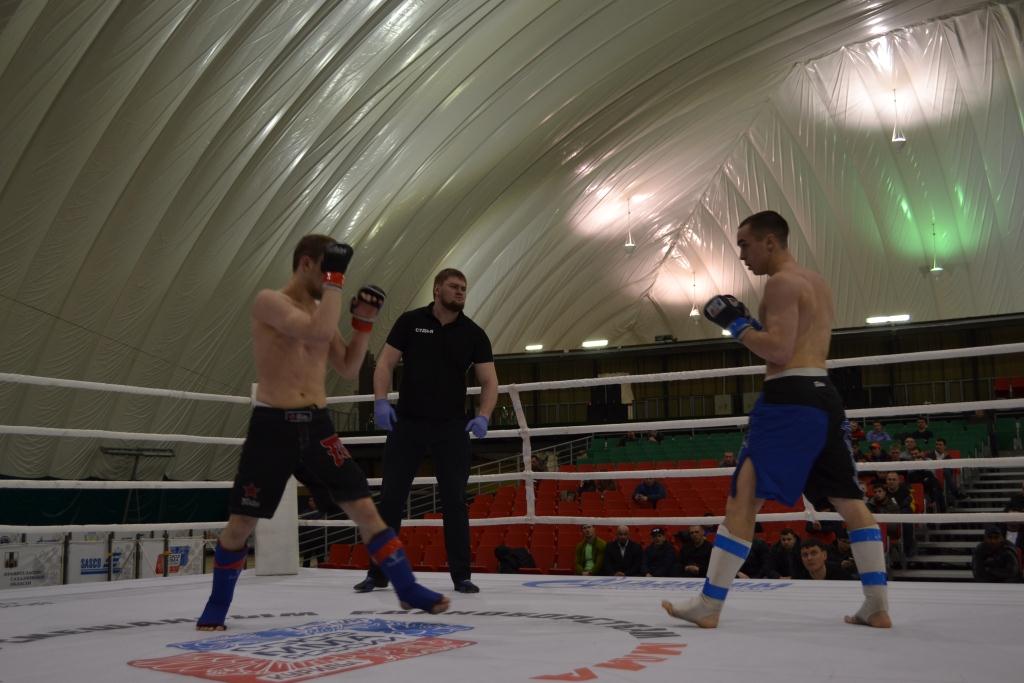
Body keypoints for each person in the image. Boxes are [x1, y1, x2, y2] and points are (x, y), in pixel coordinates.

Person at [197, 236, 448, 631]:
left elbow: (348, 366)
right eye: (328, 268)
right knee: (242, 522)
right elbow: (314, 333)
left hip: (316, 425)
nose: (333, 278)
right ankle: (217, 603)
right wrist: (336, 283)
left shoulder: (320, 313)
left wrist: (363, 323)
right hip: (273, 425)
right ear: (306, 264)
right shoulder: (270, 302)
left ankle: (406, 587)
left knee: (364, 507)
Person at [663, 210, 891, 628]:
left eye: (745, 244)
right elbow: (797, 343)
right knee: (848, 499)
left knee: (743, 497)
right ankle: (876, 605)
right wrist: (753, 325)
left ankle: (709, 605)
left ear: (770, 241)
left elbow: (780, 351)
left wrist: (737, 325)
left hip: (789, 399)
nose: (741, 255)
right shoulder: (816, 282)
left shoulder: (781, 283)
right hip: (824, 394)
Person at [355, 268, 498, 596]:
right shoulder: (410, 322)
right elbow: (384, 363)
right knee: (391, 498)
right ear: (437, 290)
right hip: (408, 423)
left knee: (455, 501)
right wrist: (380, 401)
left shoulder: (473, 333)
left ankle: (461, 576)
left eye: (464, 288)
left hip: (452, 427)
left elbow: (489, 380)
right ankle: (378, 573)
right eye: (454, 286)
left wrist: (484, 415)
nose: (460, 292)